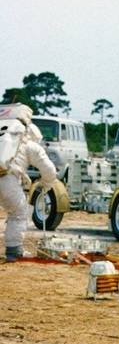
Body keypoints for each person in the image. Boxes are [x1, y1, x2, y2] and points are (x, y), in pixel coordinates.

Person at [0, 104, 58, 262]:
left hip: (6, 175)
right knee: (18, 213)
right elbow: (50, 171)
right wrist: (45, 184)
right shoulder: (29, 145)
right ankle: (14, 251)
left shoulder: (4, 137)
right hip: (6, 179)